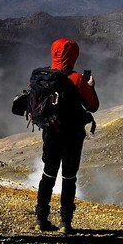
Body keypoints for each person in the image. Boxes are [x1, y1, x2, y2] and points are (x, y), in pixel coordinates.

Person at [34, 37, 98, 234]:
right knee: (69, 177)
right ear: (73, 56)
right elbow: (93, 106)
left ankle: (41, 218)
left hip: (50, 134)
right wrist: (90, 87)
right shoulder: (77, 79)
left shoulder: (44, 77)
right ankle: (65, 222)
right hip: (71, 136)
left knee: (48, 174)